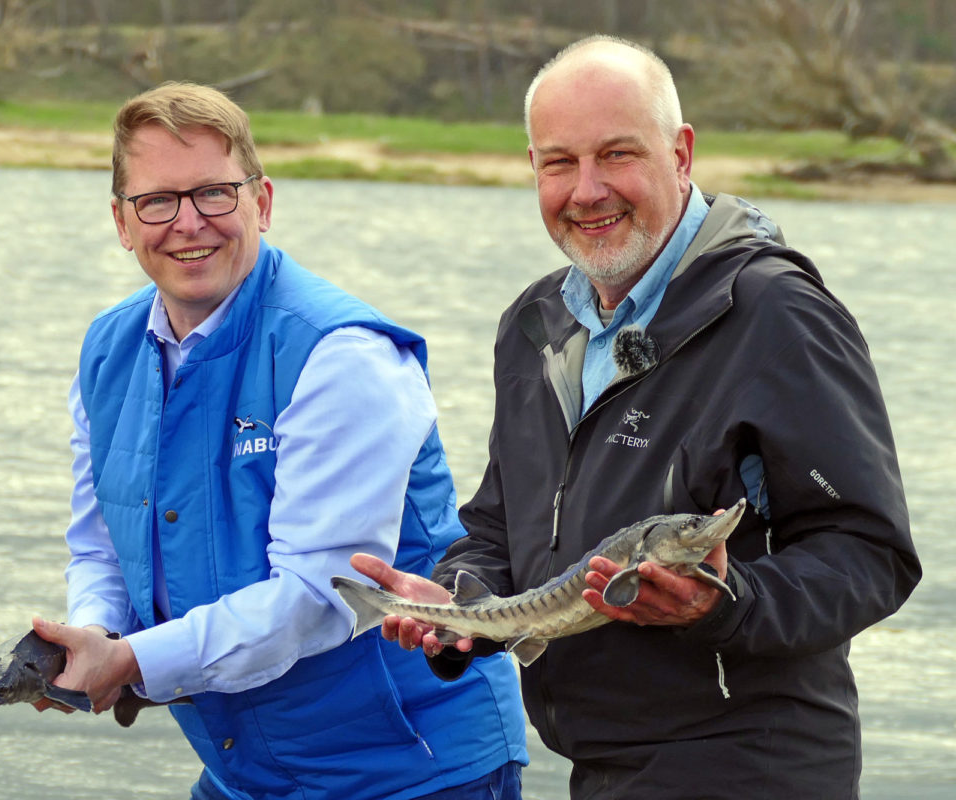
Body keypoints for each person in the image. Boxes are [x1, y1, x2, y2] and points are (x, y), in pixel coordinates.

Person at [353, 35, 921, 799]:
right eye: (559, 162)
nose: (586, 190)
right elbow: (501, 524)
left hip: (754, 768)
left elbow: (869, 553)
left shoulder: (776, 313)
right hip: (599, 767)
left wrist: (727, 604)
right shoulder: (535, 321)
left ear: (681, 153)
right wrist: (459, 600)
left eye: (616, 155)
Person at [28, 81, 528, 800]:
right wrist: (90, 638)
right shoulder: (107, 350)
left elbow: (316, 600)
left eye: (214, 194)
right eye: (157, 201)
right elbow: (99, 547)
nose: (188, 222)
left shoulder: (342, 355)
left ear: (262, 202)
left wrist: (130, 660)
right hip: (246, 769)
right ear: (121, 221)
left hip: (410, 769)